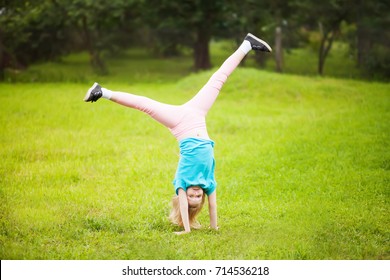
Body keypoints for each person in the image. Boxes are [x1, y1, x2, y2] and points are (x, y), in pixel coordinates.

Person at [84, 33, 272, 235]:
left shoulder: (182, 181)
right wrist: (214, 227)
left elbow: (183, 205)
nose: (195, 196)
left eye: (191, 197)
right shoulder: (208, 183)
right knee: (219, 79)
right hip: (197, 114)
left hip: (180, 123)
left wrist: (187, 229)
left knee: (144, 104)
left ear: (184, 196)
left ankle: (102, 92)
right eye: (197, 199)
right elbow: (213, 206)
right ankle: (247, 44)